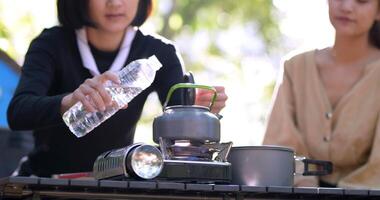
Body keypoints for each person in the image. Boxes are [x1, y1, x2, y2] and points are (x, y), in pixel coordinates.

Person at [7, 0, 227, 177]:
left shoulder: (160, 53)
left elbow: (181, 132)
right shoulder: (52, 44)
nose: (115, 3)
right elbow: (18, 112)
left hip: (116, 182)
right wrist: (68, 102)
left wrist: (199, 112)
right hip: (44, 181)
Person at [263, 0, 380, 189]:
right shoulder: (295, 67)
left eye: (362, 0)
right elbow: (278, 147)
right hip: (295, 194)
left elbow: (377, 169)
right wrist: (307, 189)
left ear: (378, 11)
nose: (347, 6)